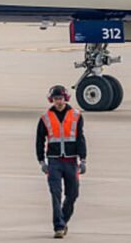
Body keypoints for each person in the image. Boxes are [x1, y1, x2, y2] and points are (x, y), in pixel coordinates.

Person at [36, 84, 87, 238]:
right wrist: (41, 161)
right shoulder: (45, 118)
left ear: (66, 99)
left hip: (71, 161)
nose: (59, 101)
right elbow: (39, 141)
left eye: (61, 98)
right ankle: (58, 227)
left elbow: (80, 138)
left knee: (73, 194)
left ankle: (63, 220)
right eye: (56, 99)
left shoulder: (76, 115)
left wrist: (83, 159)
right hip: (54, 162)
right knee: (55, 193)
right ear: (52, 100)